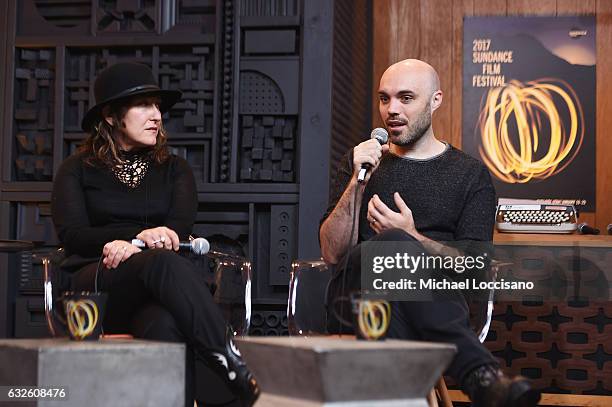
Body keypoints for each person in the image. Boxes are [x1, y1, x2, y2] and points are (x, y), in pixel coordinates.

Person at [319, 59, 541, 407]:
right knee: (390, 247)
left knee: (398, 253)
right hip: (356, 298)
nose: (392, 110)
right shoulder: (359, 162)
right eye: (384, 98)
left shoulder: (470, 175)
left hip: (429, 304)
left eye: (406, 98)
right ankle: (479, 374)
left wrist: (414, 237)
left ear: (435, 101)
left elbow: (474, 270)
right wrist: (357, 182)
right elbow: (332, 253)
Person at [51, 62, 259, 407]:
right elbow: (73, 235)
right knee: (159, 261)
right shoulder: (76, 169)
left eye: (158, 106)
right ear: (111, 116)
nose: (157, 116)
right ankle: (229, 362)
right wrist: (130, 240)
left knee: (165, 326)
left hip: (157, 292)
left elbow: (179, 228)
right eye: (143, 105)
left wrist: (136, 242)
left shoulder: (175, 169)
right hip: (97, 287)